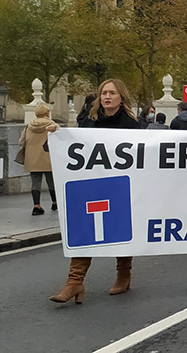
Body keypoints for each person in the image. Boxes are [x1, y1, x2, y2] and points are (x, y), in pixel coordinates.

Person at [49, 78, 141, 305]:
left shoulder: (131, 124)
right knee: (85, 231)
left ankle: (123, 274)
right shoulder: (88, 122)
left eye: (112, 93)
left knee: (120, 231)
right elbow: (74, 146)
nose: (107, 97)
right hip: (92, 186)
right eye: (104, 93)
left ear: (121, 97)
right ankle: (74, 282)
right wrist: (58, 133)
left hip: (119, 186)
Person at [19, 104, 58, 215]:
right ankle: (55, 202)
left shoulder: (29, 126)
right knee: (51, 181)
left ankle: (37, 206)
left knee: (35, 182)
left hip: (32, 158)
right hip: (48, 157)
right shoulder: (53, 125)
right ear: (47, 113)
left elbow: (21, 141)